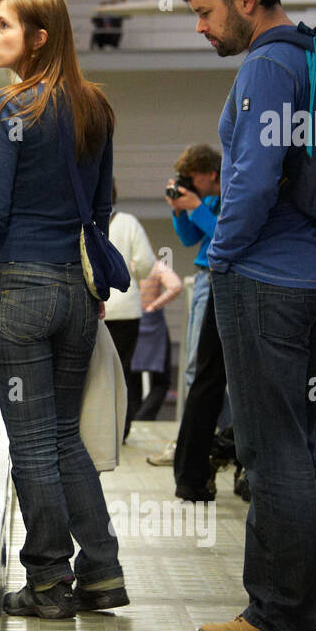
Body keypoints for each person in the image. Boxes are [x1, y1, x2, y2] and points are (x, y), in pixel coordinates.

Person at [178, 0, 316, 631]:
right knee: (291, 444)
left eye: (206, 10)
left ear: (246, 1)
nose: (201, 26)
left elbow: (249, 180)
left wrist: (219, 257)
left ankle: (279, 613)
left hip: (268, 283)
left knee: (269, 449)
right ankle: (287, 607)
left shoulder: (268, 65)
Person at [0, 0, 125, 619]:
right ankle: (103, 572)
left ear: (39, 38)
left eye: (3, 25)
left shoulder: (13, 108)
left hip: (19, 292)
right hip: (78, 292)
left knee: (31, 444)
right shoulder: (96, 108)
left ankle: (50, 582)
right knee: (62, 437)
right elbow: (103, 206)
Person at [146, 143, 228, 468]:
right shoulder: (207, 199)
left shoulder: (232, 195)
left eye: (193, 179)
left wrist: (195, 207)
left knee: (205, 367)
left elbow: (223, 234)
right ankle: (196, 441)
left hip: (218, 280)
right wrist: (180, 211)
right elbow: (187, 239)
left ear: (211, 174)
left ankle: (205, 442)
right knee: (196, 366)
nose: (191, 186)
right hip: (204, 278)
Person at [103, 181, 156, 441]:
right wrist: (134, 272)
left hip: (95, 309)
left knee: (95, 370)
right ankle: (121, 429)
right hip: (126, 309)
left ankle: (95, 429)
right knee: (123, 370)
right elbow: (147, 263)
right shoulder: (129, 222)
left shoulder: (83, 221)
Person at [131, 259, 182, 420]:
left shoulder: (125, 265)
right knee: (161, 380)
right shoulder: (156, 266)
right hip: (151, 320)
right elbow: (175, 286)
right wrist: (154, 306)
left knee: (132, 376)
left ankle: (134, 419)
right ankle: (142, 417)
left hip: (131, 318)